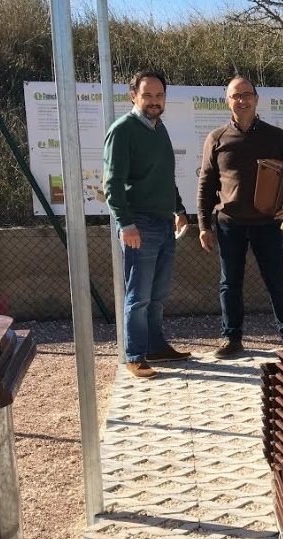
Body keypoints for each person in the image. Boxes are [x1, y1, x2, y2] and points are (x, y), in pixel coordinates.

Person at [196, 76, 283, 358]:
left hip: (267, 224)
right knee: (229, 284)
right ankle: (232, 339)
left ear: (256, 99)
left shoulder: (276, 136)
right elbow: (206, 184)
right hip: (229, 224)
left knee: (277, 281)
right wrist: (203, 225)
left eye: (247, 95)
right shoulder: (217, 138)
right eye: (236, 95)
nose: (242, 100)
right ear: (227, 101)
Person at [103, 69, 191, 378]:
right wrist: (125, 224)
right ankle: (135, 355)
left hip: (164, 223)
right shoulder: (122, 130)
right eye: (147, 95)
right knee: (138, 296)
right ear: (133, 96)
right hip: (139, 225)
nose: (154, 101)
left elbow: (165, 176)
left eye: (159, 95)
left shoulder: (159, 128)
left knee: (157, 294)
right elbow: (112, 183)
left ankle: (155, 346)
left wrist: (179, 209)